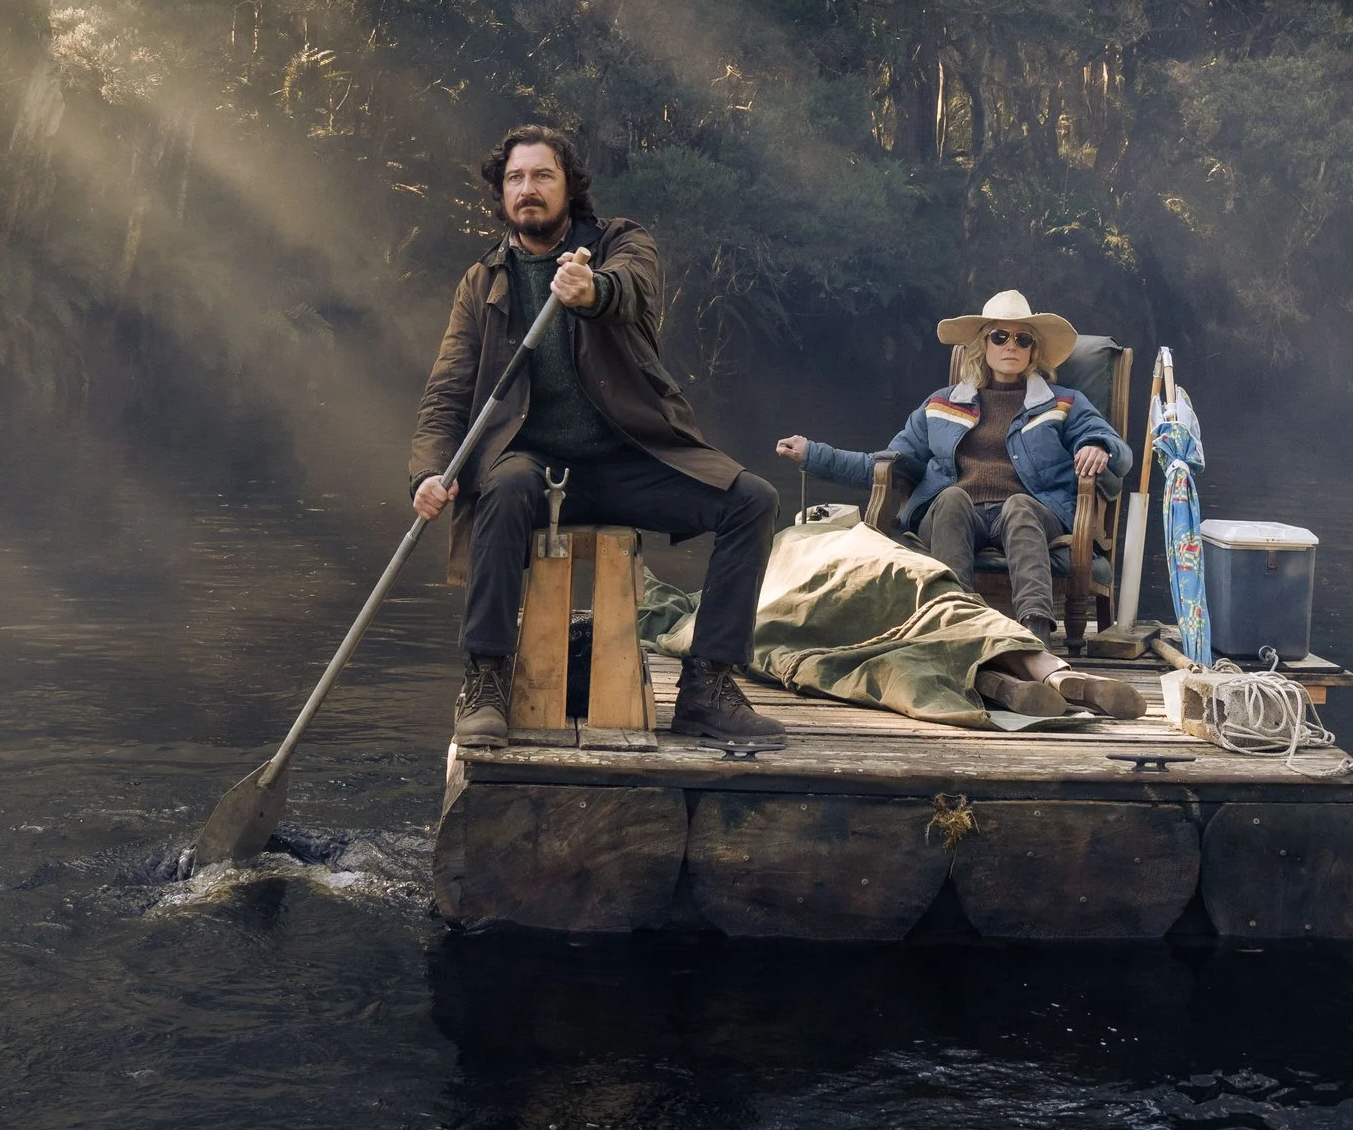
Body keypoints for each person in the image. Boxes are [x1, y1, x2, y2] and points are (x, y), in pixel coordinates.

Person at [411, 124, 783, 751]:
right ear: (502, 194)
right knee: (499, 488)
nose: (527, 189)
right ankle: (485, 679)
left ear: (570, 186)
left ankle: (707, 686)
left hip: (627, 454)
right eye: (515, 179)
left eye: (542, 176)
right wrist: (427, 471)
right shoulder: (484, 281)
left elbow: (632, 289)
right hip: (529, 461)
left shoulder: (616, 243)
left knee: (753, 499)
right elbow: (447, 390)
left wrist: (592, 291)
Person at [775, 289, 1135, 718]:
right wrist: (814, 454)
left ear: (1034, 351)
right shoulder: (941, 404)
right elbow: (887, 463)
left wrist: (1097, 445)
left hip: (1031, 511)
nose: (1011, 347)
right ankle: (962, 631)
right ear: (983, 344)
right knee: (949, 499)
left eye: (1023, 340)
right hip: (957, 511)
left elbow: (1118, 449)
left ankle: (1034, 636)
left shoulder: (1065, 402)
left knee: (1020, 507)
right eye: (1001, 336)